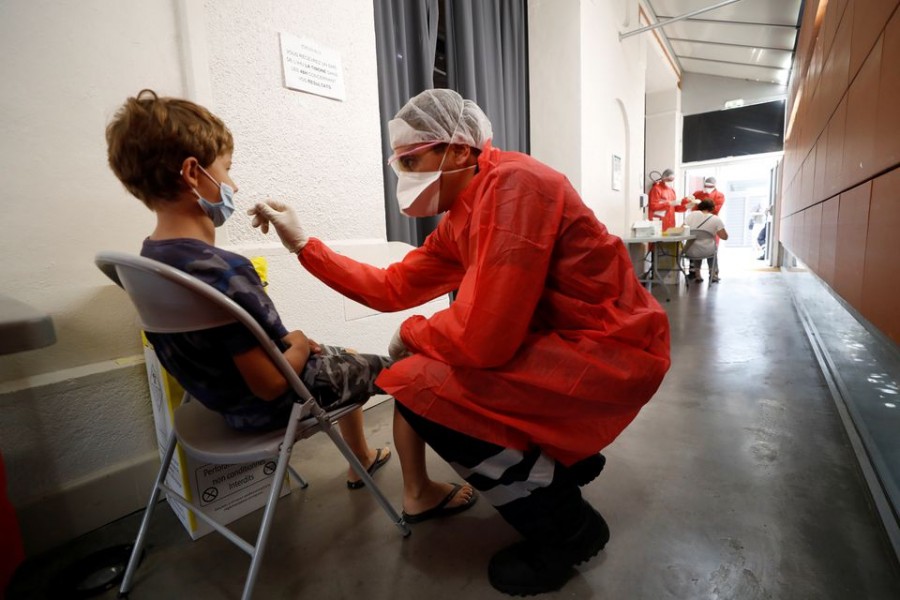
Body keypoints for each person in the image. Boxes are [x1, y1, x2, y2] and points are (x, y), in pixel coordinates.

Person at [248, 89, 671, 595]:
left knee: (420, 389)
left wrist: (413, 334)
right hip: (566, 341)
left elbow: (486, 338)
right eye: (398, 162)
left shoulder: (517, 186)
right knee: (422, 372)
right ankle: (559, 463)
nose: (404, 174)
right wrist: (304, 246)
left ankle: (568, 529)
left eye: (412, 159)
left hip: (607, 348)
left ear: (459, 150)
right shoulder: (465, 214)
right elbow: (392, 286)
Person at [105, 90, 476, 516]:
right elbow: (270, 383)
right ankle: (419, 492)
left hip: (216, 403)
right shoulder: (224, 272)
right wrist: (297, 342)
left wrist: (302, 253)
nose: (234, 185)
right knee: (407, 375)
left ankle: (364, 460)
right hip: (269, 404)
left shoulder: (150, 260)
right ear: (193, 173)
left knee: (348, 355)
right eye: (226, 169)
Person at [683, 200, 728, 283]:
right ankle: (713, 274)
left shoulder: (691, 215)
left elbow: (682, 229)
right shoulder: (716, 219)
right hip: (708, 251)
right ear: (712, 208)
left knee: (696, 246)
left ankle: (697, 274)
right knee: (712, 250)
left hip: (691, 250)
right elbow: (724, 237)